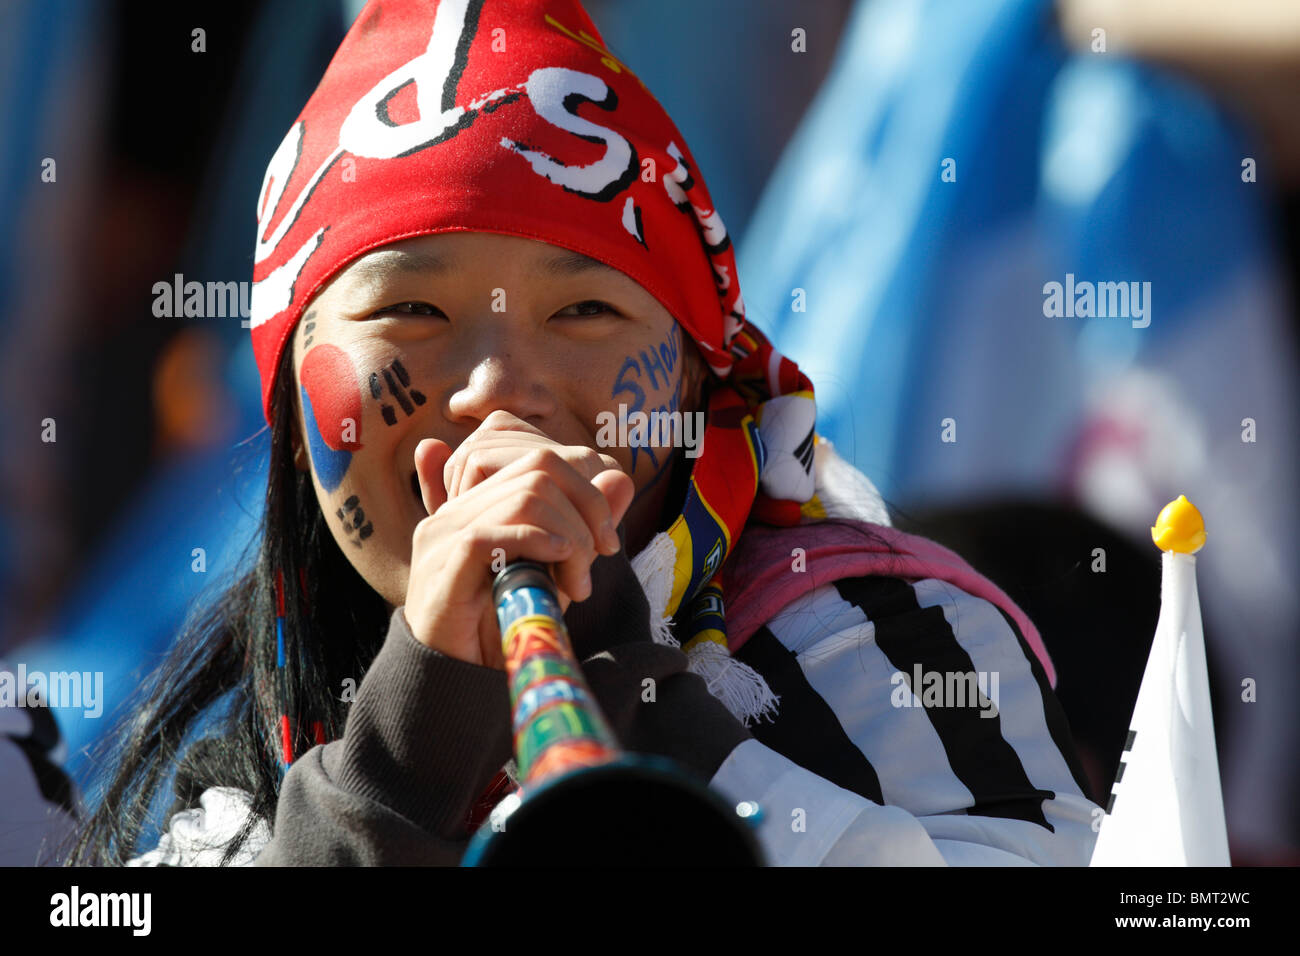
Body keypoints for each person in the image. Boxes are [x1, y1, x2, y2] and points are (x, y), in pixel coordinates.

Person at [65, 0, 1099, 867]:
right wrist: (394, 770)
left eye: (584, 314)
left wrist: (636, 696)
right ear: (292, 414)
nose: (499, 390)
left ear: (699, 377)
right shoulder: (250, 758)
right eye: (409, 314)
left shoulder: (881, 635)